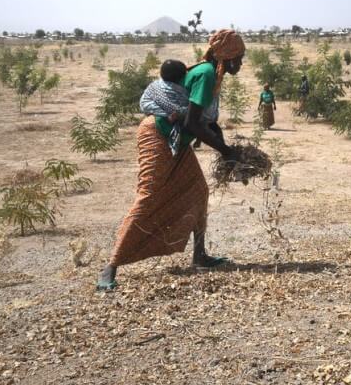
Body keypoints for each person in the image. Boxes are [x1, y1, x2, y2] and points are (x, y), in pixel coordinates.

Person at [97, 29, 246, 290]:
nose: (241, 63)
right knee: (149, 195)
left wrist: (221, 142)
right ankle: (110, 266)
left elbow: (202, 121)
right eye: (240, 58)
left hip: (176, 140)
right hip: (158, 135)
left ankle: (199, 256)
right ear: (228, 57)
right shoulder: (207, 74)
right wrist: (226, 151)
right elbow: (192, 121)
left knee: (198, 191)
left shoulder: (209, 72)